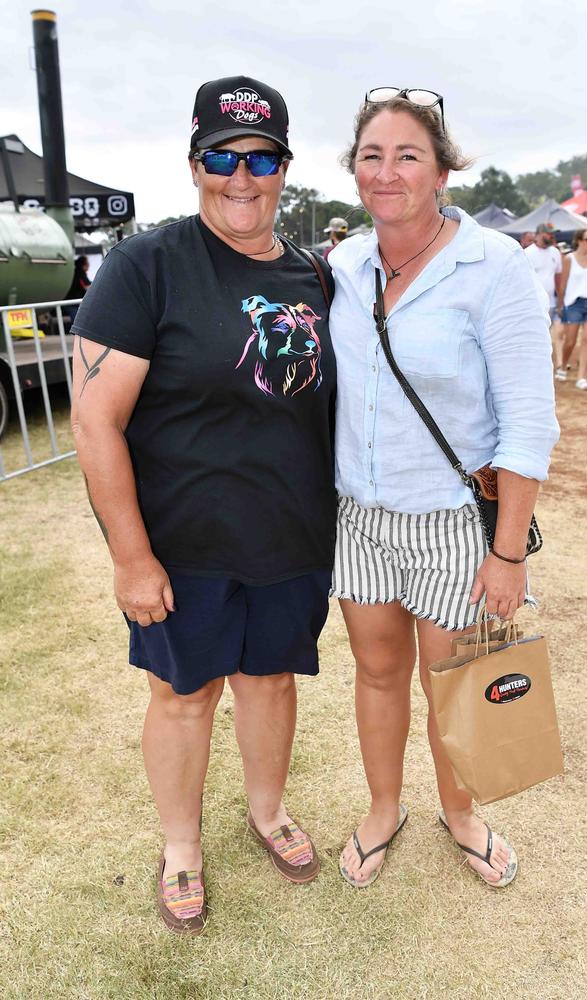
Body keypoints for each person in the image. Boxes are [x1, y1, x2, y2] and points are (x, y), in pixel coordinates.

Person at [70, 75, 337, 935]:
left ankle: (266, 811)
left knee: (270, 684)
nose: (242, 175)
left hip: (291, 536)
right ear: (194, 164)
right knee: (185, 695)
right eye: (222, 155)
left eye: (262, 158)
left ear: (285, 170)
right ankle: (181, 844)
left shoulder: (313, 276)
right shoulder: (149, 263)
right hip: (182, 544)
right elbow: (96, 420)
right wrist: (130, 557)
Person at [327, 88, 559, 890]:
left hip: (452, 523)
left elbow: (529, 423)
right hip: (358, 517)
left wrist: (507, 553)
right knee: (378, 670)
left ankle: (462, 813)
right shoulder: (343, 264)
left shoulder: (492, 267)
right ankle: (383, 806)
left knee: (456, 679)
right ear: (354, 170)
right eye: (371, 155)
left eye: (407, 155)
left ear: (442, 170)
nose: (386, 172)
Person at [556, 228, 587, 390]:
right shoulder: (569, 258)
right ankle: (563, 367)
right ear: (579, 240)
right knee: (570, 341)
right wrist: (560, 304)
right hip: (573, 303)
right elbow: (563, 283)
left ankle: (581, 377)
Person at [524, 223, 563, 368]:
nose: (552, 236)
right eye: (549, 233)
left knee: (555, 334)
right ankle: (535, 364)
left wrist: (561, 300)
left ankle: (556, 364)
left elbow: (558, 278)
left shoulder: (555, 253)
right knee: (536, 335)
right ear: (539, 234)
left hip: (552, 302)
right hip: (533, 303)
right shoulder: (528, 253)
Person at [64, 255, 92, 322]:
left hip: (71, 303)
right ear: (84, 264)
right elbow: (88, 288)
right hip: (73, 304)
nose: (89, 265)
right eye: (87, 263)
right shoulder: (80, 274)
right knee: (78, 322)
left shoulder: (74, 273)